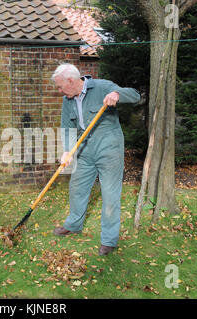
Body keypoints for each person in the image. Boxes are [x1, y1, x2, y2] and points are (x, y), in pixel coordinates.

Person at [51, 63, 140, 256]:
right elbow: (67, 127)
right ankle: (74, 224)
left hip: (109, 146)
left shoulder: (102, 87)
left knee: (110, 194)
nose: (59, 91)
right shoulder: (68, 100)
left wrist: (117, 95)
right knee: (77, 187)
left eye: (60, 86)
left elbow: (135, 95)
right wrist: (67, 151)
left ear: (71, 81)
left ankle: (109, 239)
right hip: (84, 148)